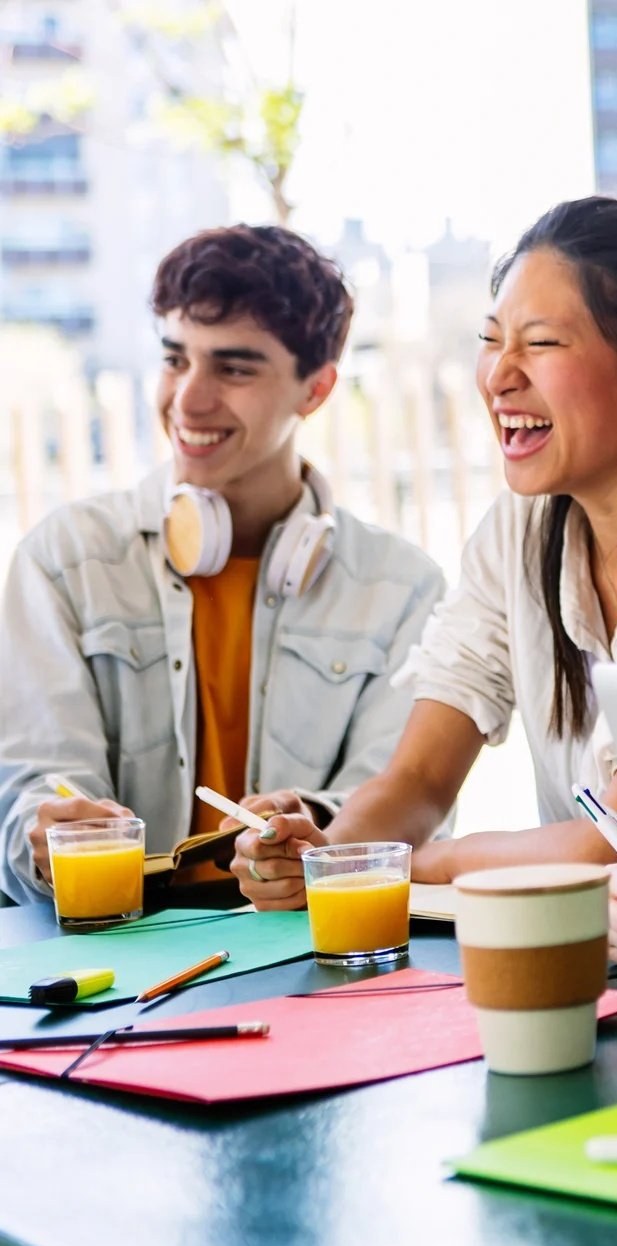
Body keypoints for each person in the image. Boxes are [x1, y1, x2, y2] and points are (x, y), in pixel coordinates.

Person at [230, 198, 617, 965]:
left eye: (542, 343)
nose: (500, 375)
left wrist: (397, 869)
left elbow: (616, 841)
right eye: (492, 342)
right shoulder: (517, 534)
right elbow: (421, 777)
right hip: (597, 975)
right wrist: (323, 854)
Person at [0, 225, 445, 904]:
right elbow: (30, 788)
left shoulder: (402, 590)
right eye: (176, 358)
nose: (188, 399)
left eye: (233, 368)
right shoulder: (65, 561)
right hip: (113, 950)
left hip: (304, 947)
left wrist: (316, 833)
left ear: (316, 390)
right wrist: (43, 829)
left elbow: (394, 807)